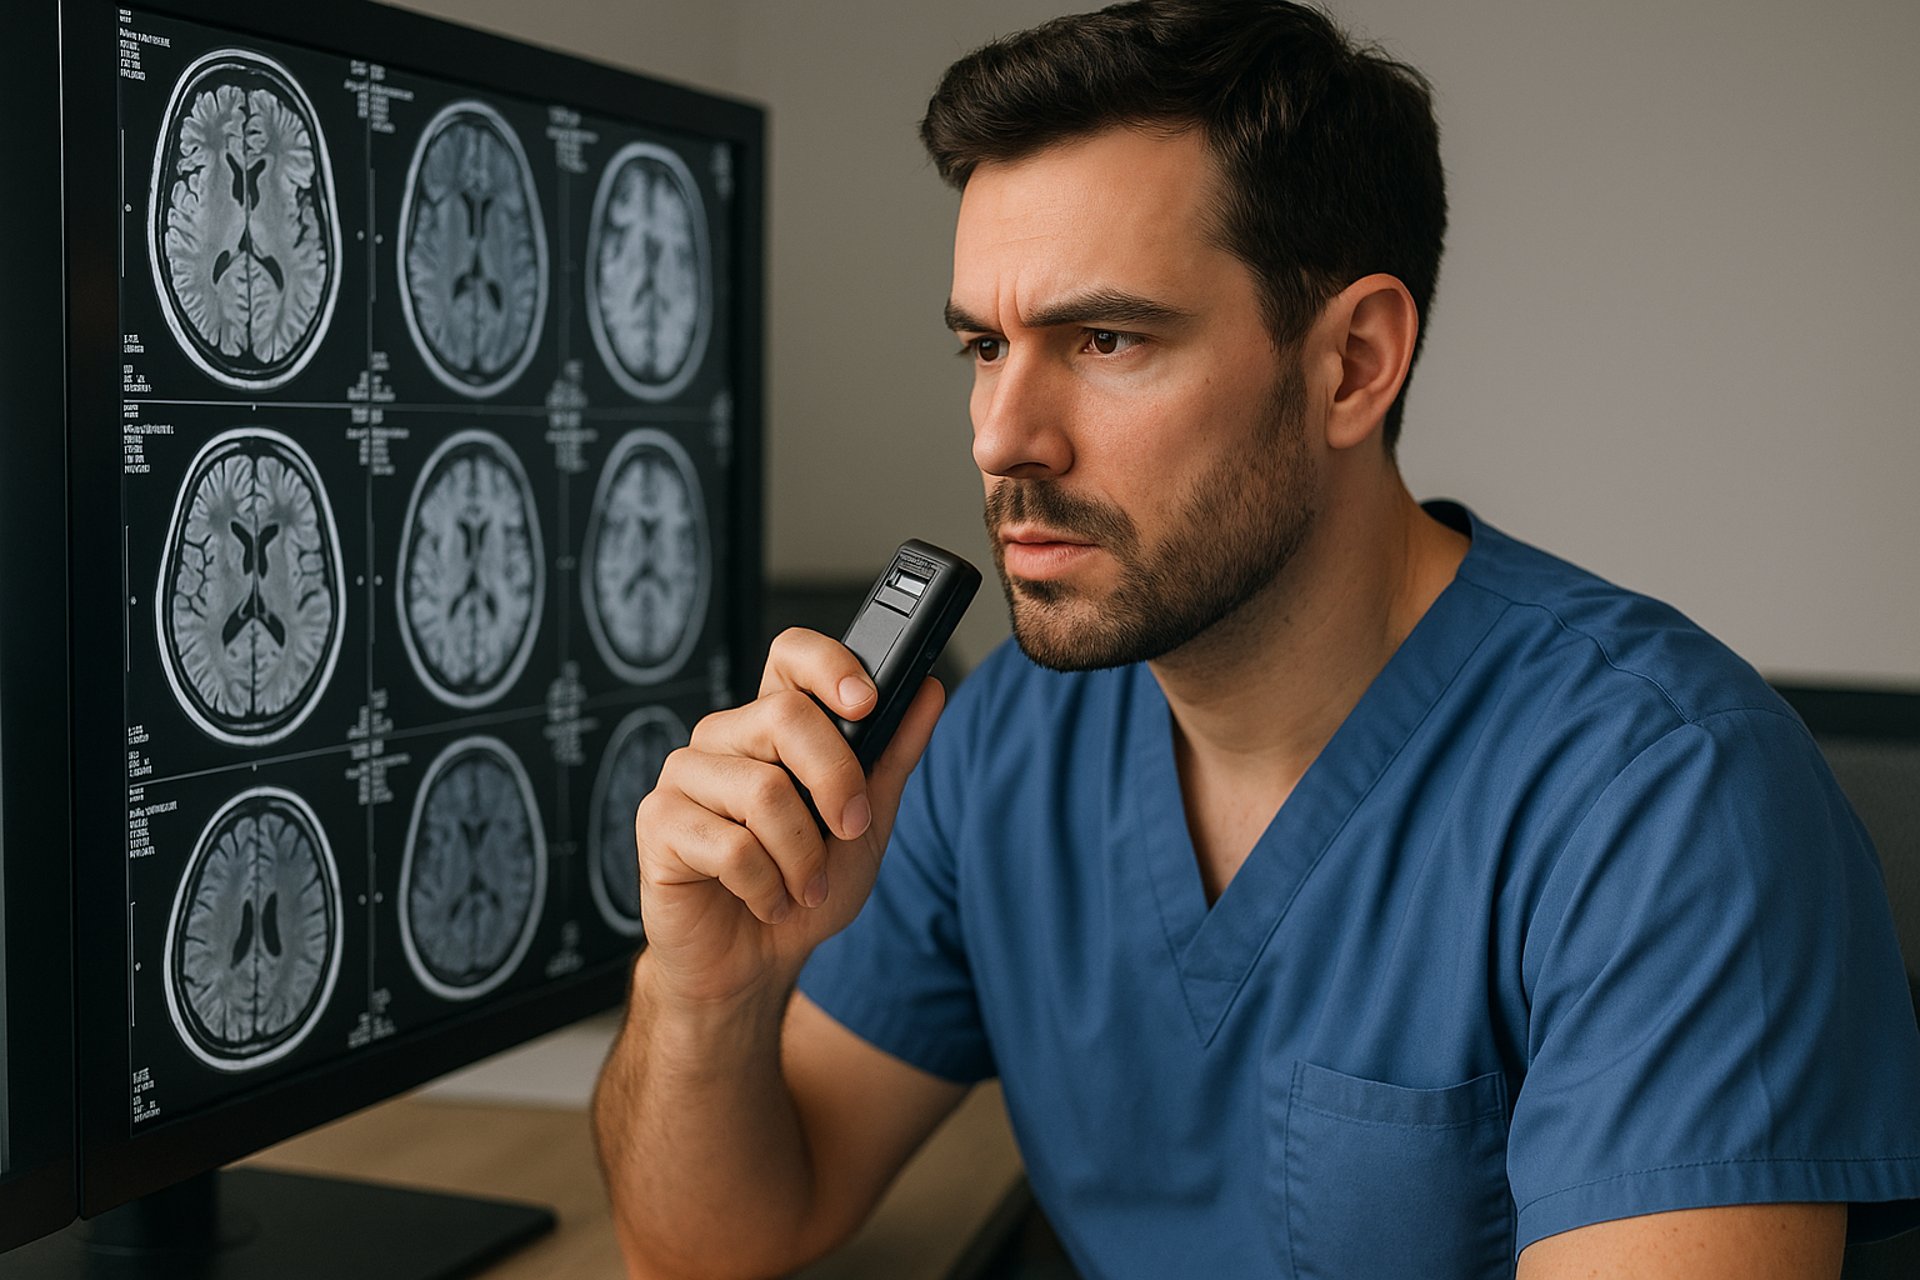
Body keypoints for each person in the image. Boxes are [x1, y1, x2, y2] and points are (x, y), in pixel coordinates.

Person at [591, 2, 1920, 1276]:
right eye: (985, 347)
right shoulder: (1005, 743)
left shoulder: (1671, 803)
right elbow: (713, 1239)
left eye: (1105, 338)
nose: (1003, 436)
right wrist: (706, 988)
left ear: (1353, 363)